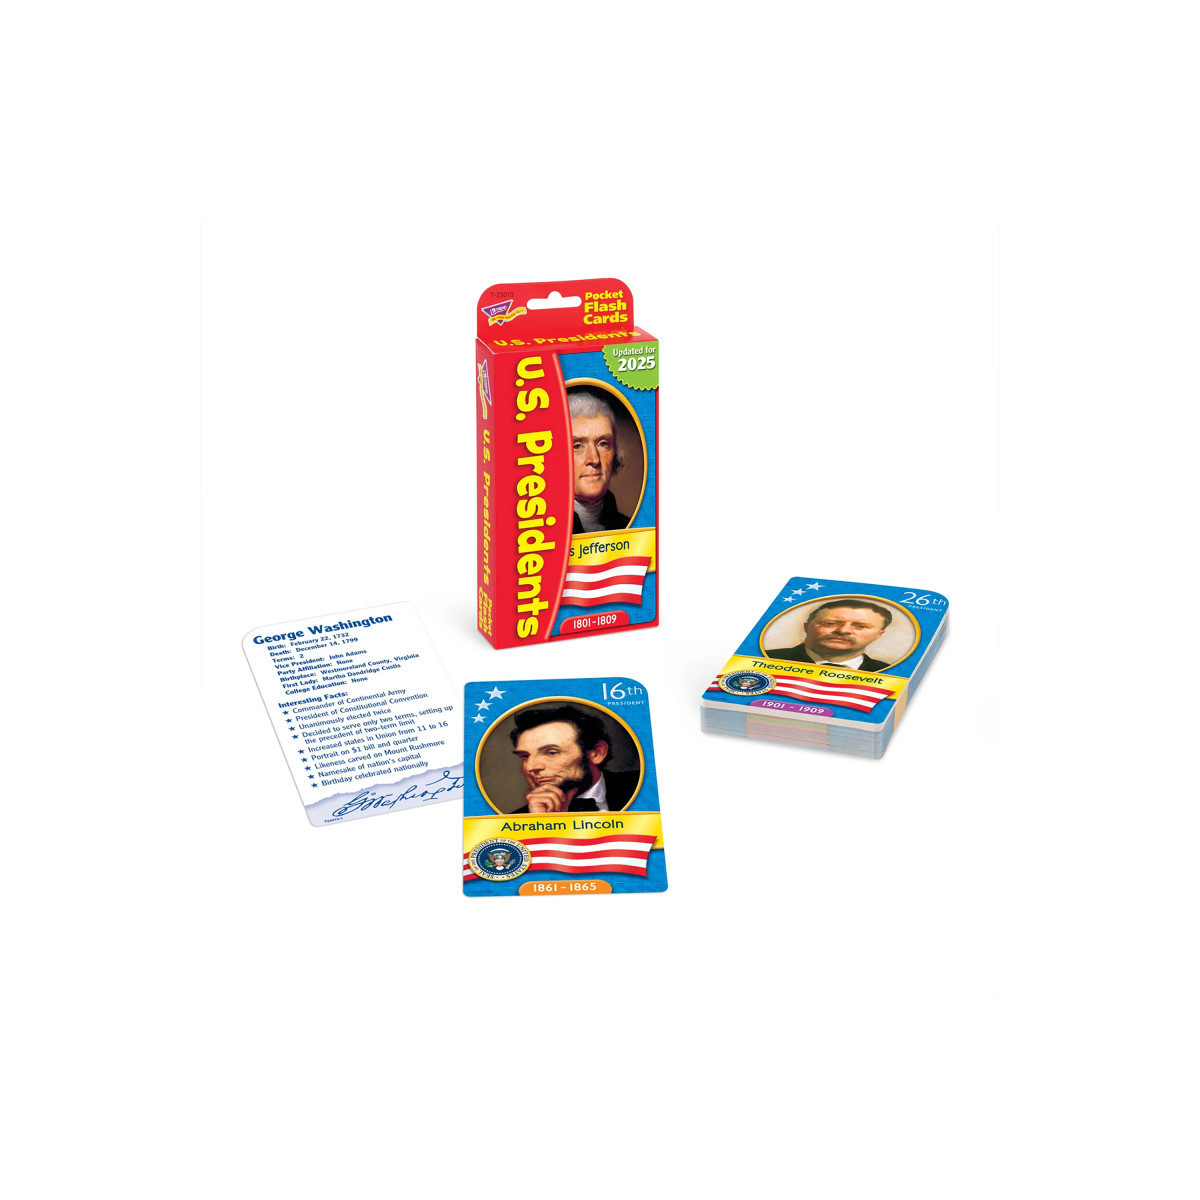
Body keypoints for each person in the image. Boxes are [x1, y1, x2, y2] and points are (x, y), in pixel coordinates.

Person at [507, 704, 638, 814]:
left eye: (551, 753)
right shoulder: (517, 819)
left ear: (597, 753)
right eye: (525, 756)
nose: (530, 767)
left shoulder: (641, 786)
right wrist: (543, 824)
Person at [569, 387, 630, 533]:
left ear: (615, 453)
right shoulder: (537, 531)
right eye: (577, 446)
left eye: (603, 444)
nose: (594, 459)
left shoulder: (632, 528)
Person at [770, 599, 895, 671]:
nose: (843, 630)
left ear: (878, 635)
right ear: (807, 627)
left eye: (861, 626)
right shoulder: (768, 658)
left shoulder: (891, 673)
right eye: (830, 624)